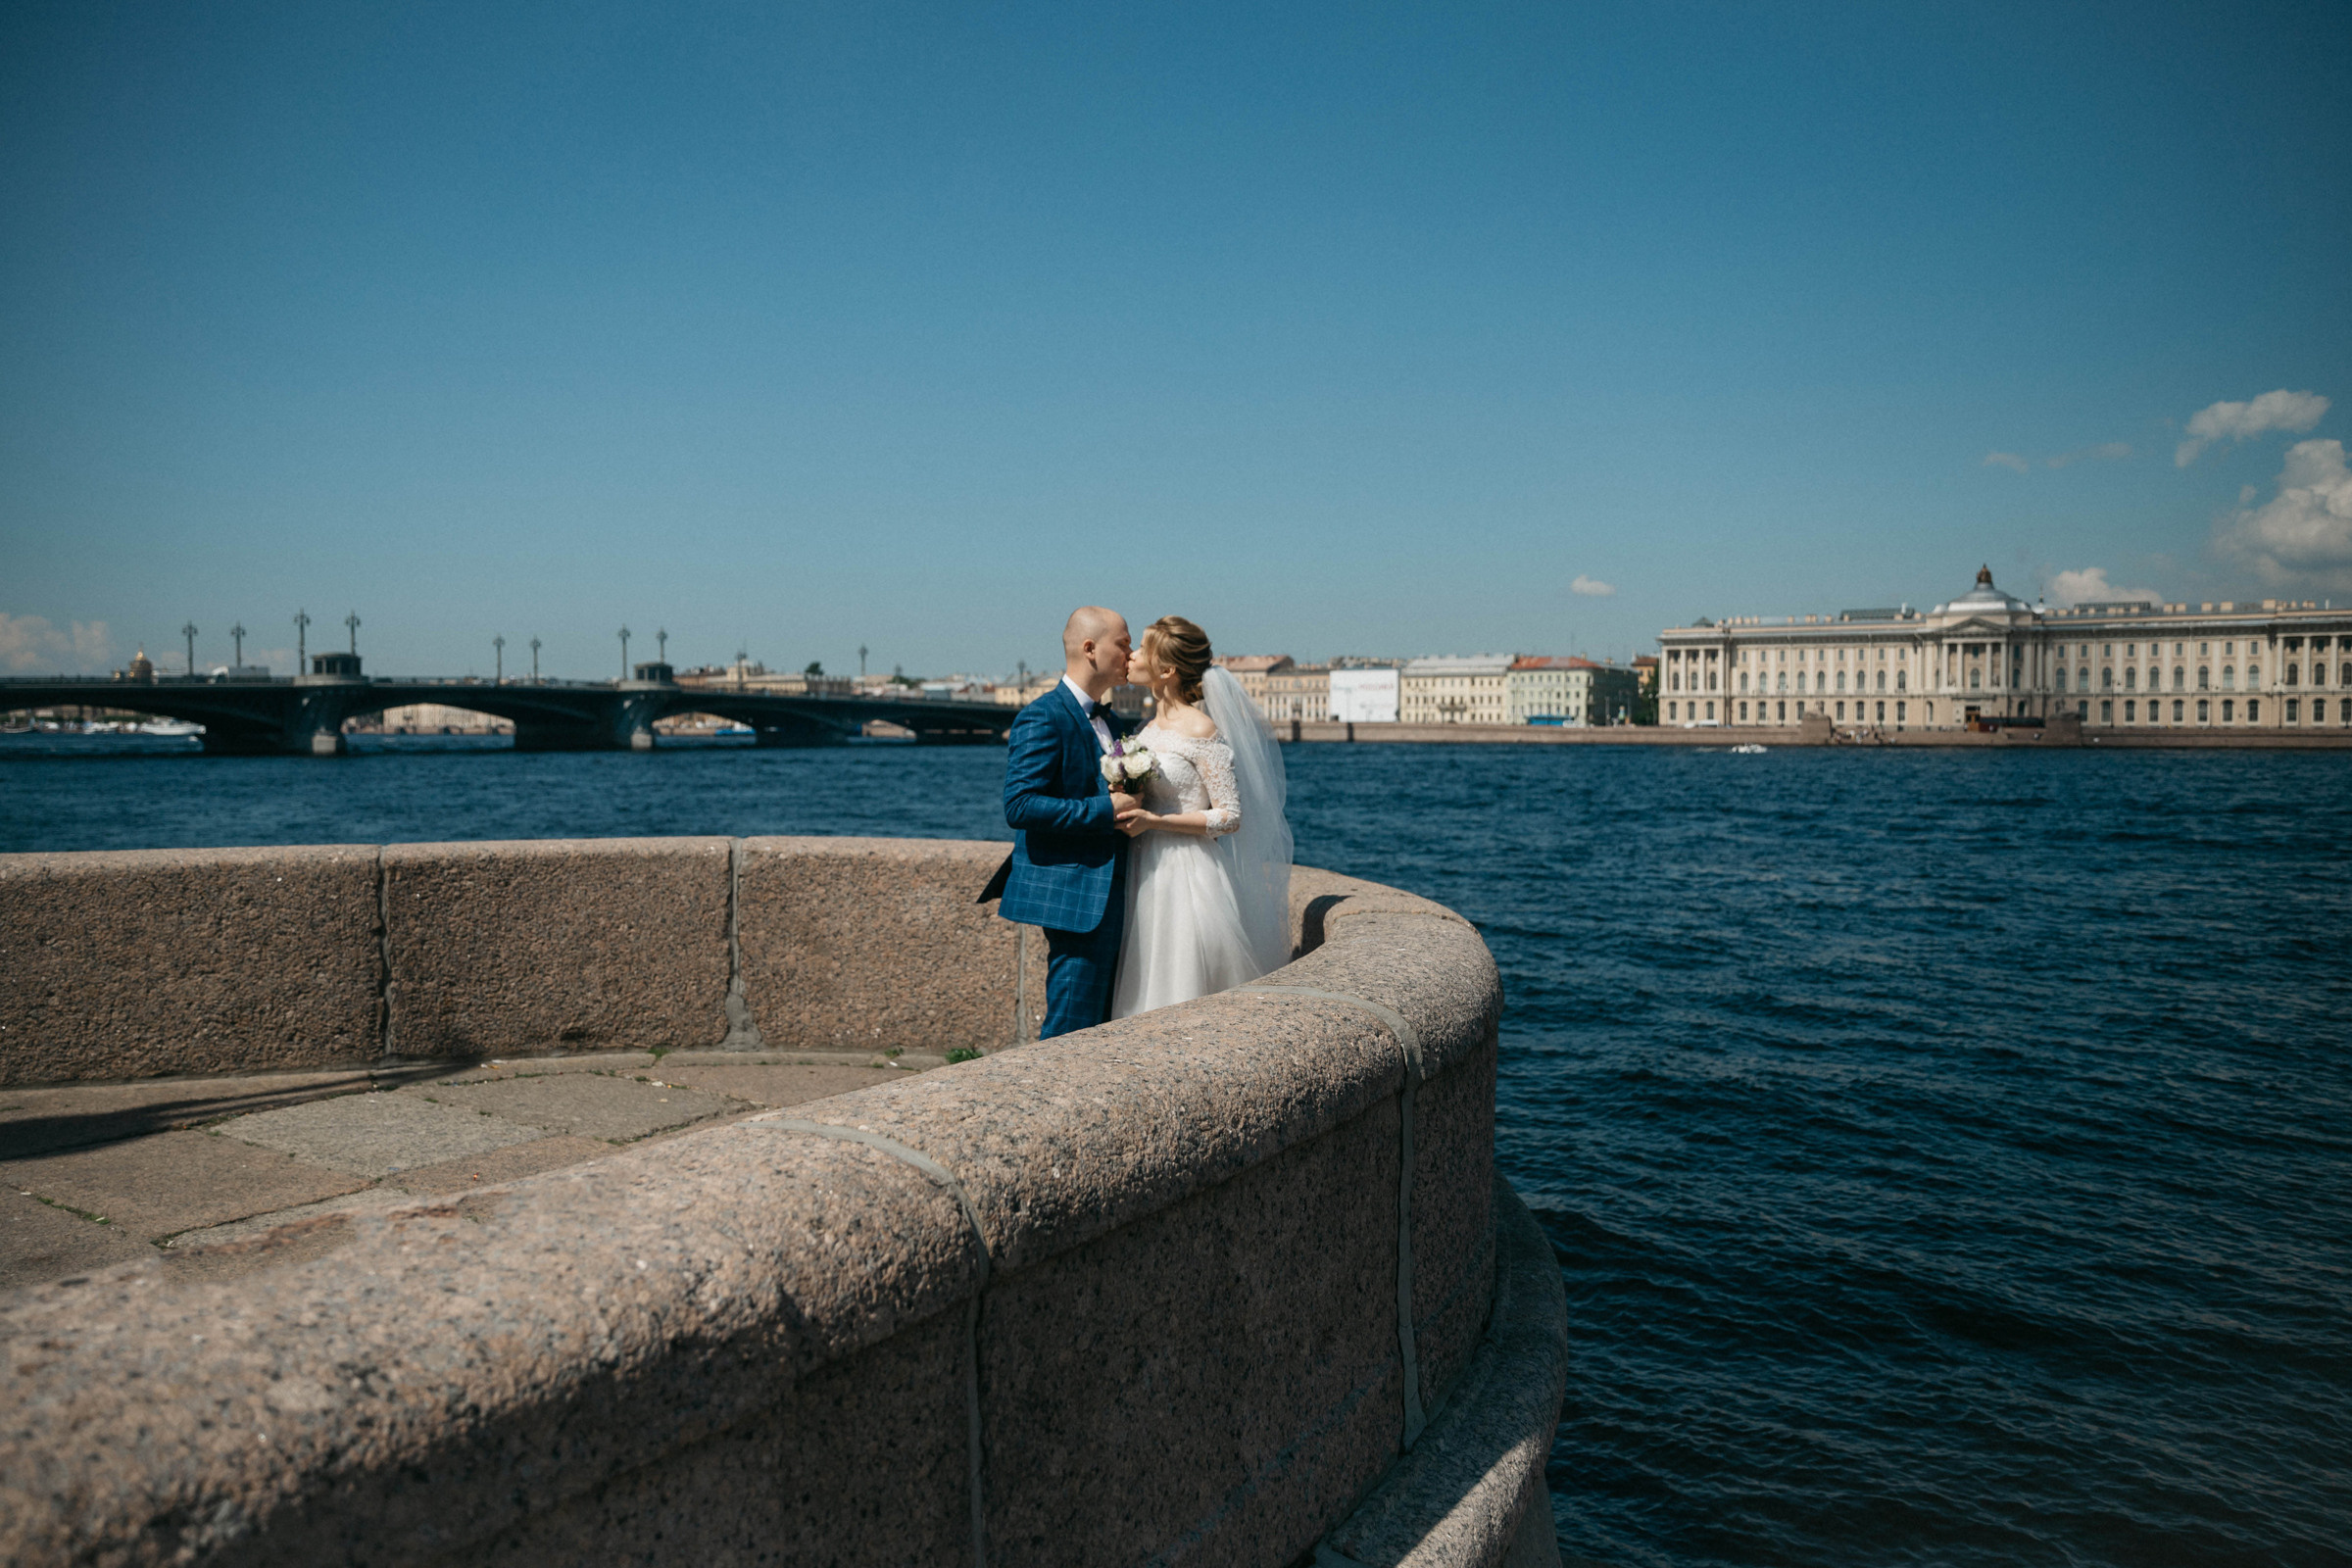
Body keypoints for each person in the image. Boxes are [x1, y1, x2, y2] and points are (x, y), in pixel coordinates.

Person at [1109, 615, 1294, 1017]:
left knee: (1182, 983)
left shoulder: (1201, 728)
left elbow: (1230, 816)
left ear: (1168, 669)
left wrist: (1155, 822)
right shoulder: (1145, 729)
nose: (1133, 655)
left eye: (1143, 648)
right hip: (1145, 867)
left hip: (1186, 874)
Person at [984, 607, 1140, 1038]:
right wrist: (1104, 811)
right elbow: (1020, 805)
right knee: (1071, 1025)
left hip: (1115, 889)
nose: (1132, 653)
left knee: (1102, 1026)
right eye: (1123, 644)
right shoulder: (1042, 716)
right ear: (1090, 649)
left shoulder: (1113, 721)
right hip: (1077, 896)